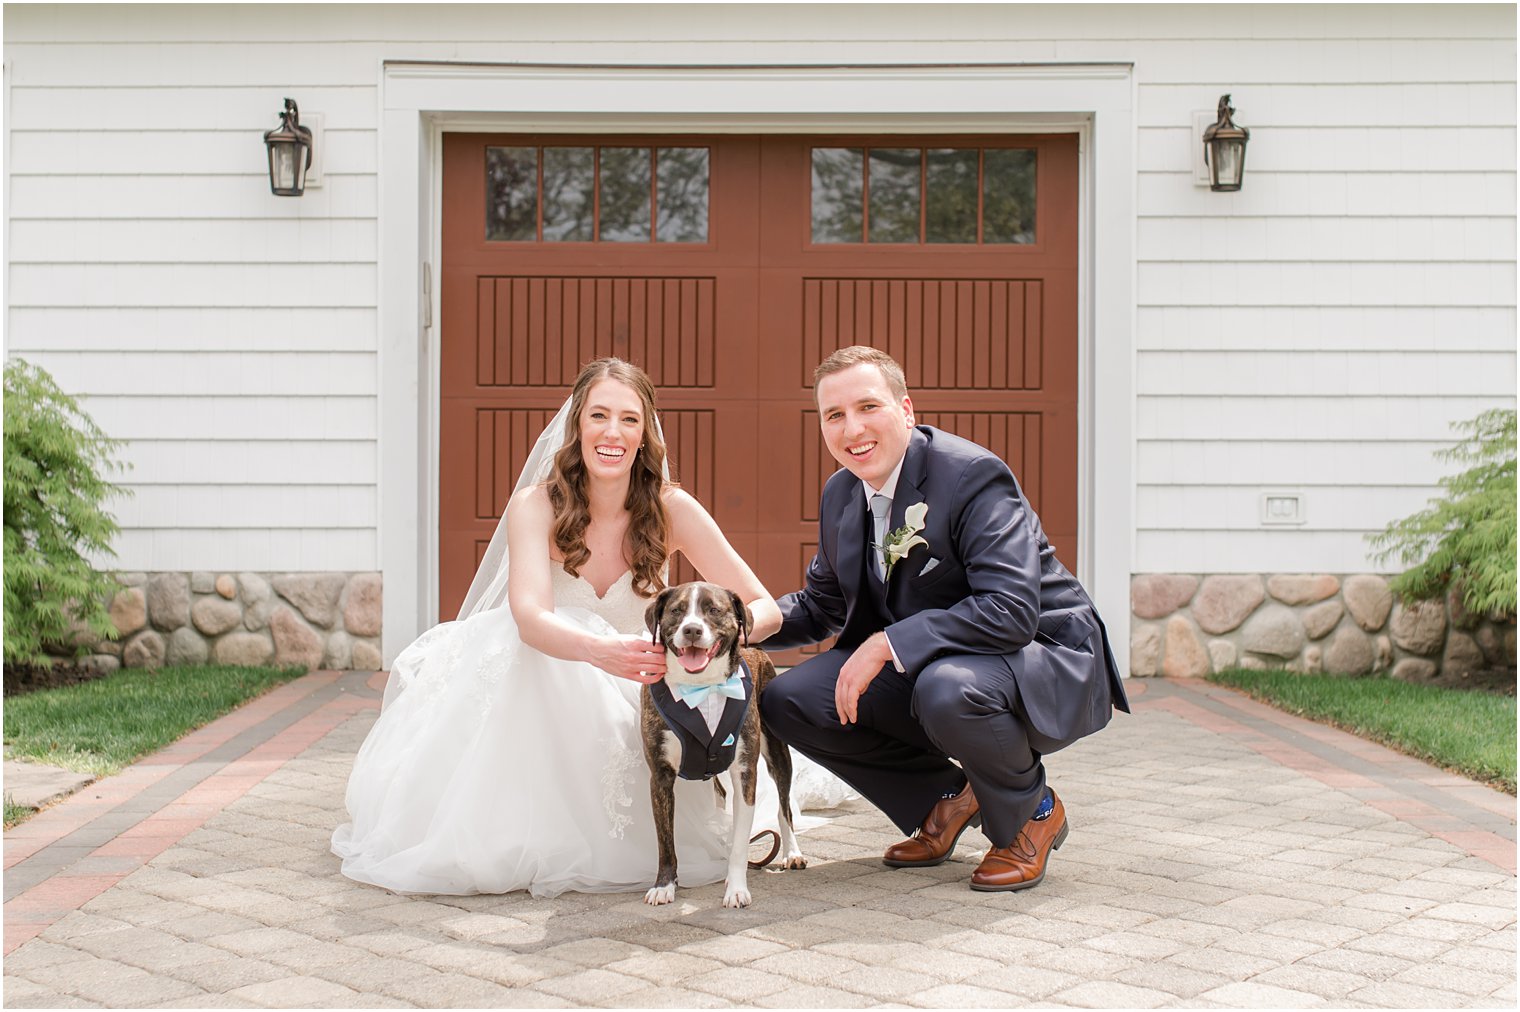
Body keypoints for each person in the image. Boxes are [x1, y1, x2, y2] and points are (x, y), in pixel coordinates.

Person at [332, 358, 848, 897]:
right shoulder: (534, 506)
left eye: (629, 419)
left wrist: (720, 647)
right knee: (551, 644)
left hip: (645, 683)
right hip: (548, 673)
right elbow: (530, 617)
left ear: (646, 432)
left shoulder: (672, 507)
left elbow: (762, 604)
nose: (612, 432)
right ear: (576, 424)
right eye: (599, 415)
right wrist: (601, 651)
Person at [757, 346, 1129, 892]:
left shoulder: (972, 476)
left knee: (946, 689)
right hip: (942, 661)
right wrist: (739, 624)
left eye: (868, 407)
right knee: (790, 700)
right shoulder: (842, 492)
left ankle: (1032, 812)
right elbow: (821, 606)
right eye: (834, 415)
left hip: (1043, 656)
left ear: (906, 409)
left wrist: (887, 643)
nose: (851, 428)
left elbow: (1012, 610)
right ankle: (948, 800)